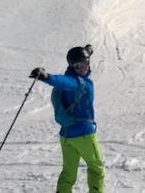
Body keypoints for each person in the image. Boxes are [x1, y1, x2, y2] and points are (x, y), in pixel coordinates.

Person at [31, 44, 104, 193]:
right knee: (96, 168)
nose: (83, 67)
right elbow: (60, 80)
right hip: (83, 134)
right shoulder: (74, 82)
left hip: (66, 135)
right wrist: (47, 77)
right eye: (78, 65)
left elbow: (73, 69)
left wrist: (87, 52)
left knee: (69, 171)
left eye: (86, 63)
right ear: (72, 66)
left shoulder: (75, 75)